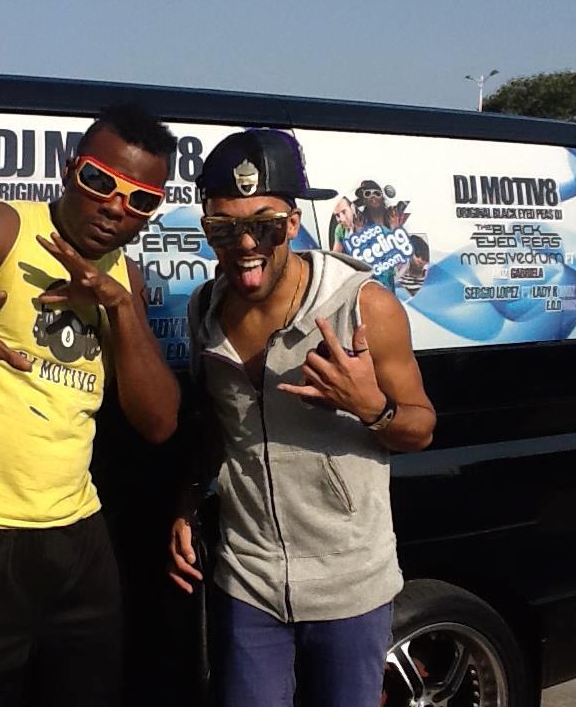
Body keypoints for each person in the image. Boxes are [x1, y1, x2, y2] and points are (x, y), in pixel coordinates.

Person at [0, 103, 180, 707]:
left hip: (79, 540)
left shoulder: (126, 277)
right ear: (71, 169)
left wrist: (120, 306)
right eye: (99, 180)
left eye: (141, 200)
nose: (115, 207)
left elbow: (159, 422)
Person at [167, 129, 436, 707]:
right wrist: (189, 499)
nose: (245, 243)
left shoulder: (363, 305)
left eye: (263, 225)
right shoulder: (204, 308)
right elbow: (218, 425)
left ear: (292, 224)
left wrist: (371, 407)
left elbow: (421, 427)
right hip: (248, 579)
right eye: (223, 228)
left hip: (349, 583)